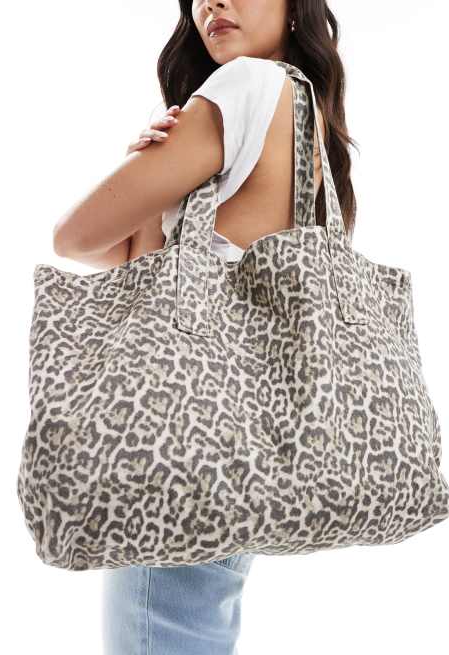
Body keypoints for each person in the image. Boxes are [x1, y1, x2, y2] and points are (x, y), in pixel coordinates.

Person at [52, 2, 359, 653]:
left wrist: (145, 183)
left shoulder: (244, 84)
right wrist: (157, 200)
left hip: (176, 453)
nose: (211, 3)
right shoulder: (305, 114)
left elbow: (75, 239)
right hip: (244, 460)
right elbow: (153, 266)